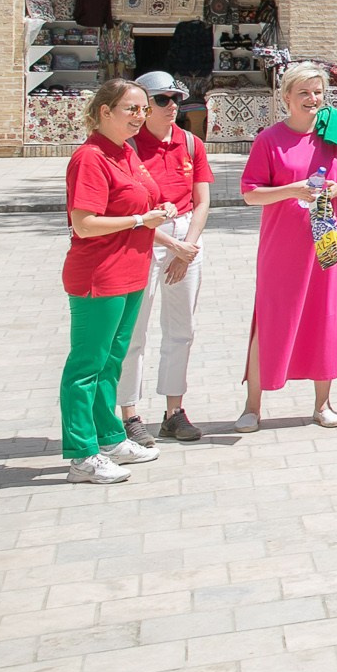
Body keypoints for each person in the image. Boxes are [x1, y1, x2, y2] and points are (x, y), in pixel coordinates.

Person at [238, 62, 337, 432]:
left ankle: (323, 403)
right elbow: (250, 194)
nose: (313, 100)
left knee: (325, 318)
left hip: (327, 239)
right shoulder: (269, 140)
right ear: (286, 98)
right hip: (283, 245)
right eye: (304, 93)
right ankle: (253, 406)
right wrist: (290, 191)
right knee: (271, 317)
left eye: (318, 92)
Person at [60, 81, 176, 483]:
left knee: (112, 361)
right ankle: (81, 455)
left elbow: (138, 204)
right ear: (104, 112)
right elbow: (85, 224)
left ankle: (109, 438)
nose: (140, 116)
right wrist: (141, 220)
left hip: (132, 269)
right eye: (131, 109)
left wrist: (158, 213)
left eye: (143, 109)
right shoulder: (90, 158)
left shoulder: (126, 152)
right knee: (86, 366)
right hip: (99, 273)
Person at [118, 71, 211, 446]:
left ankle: (174, 411)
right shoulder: (128, 148)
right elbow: (125, 211)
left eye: (176, 98)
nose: (172, 106)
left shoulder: (190, 143)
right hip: (144, 237)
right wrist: (173, 247)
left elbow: (202, 200)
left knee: (181, 330)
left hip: (185, 238)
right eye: (162, 100)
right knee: (134, 334)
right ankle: (129, 415)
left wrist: (186, 245)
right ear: (143, 106)